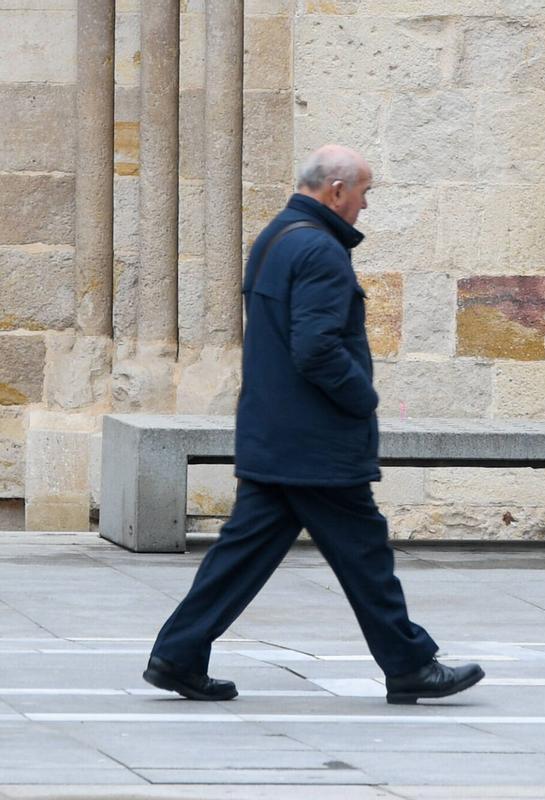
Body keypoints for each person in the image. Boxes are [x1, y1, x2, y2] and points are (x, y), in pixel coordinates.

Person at [143, 145, 483, 704]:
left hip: (275, 433)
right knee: (364, 553)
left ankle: (178, 655)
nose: (366, 206)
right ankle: (410, 664)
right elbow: (316, 347)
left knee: (242, 555)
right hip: (315, 443)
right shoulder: (320, 250)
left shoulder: (276, 238)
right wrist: (362, 397)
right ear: (336, 190)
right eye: (365, 193)